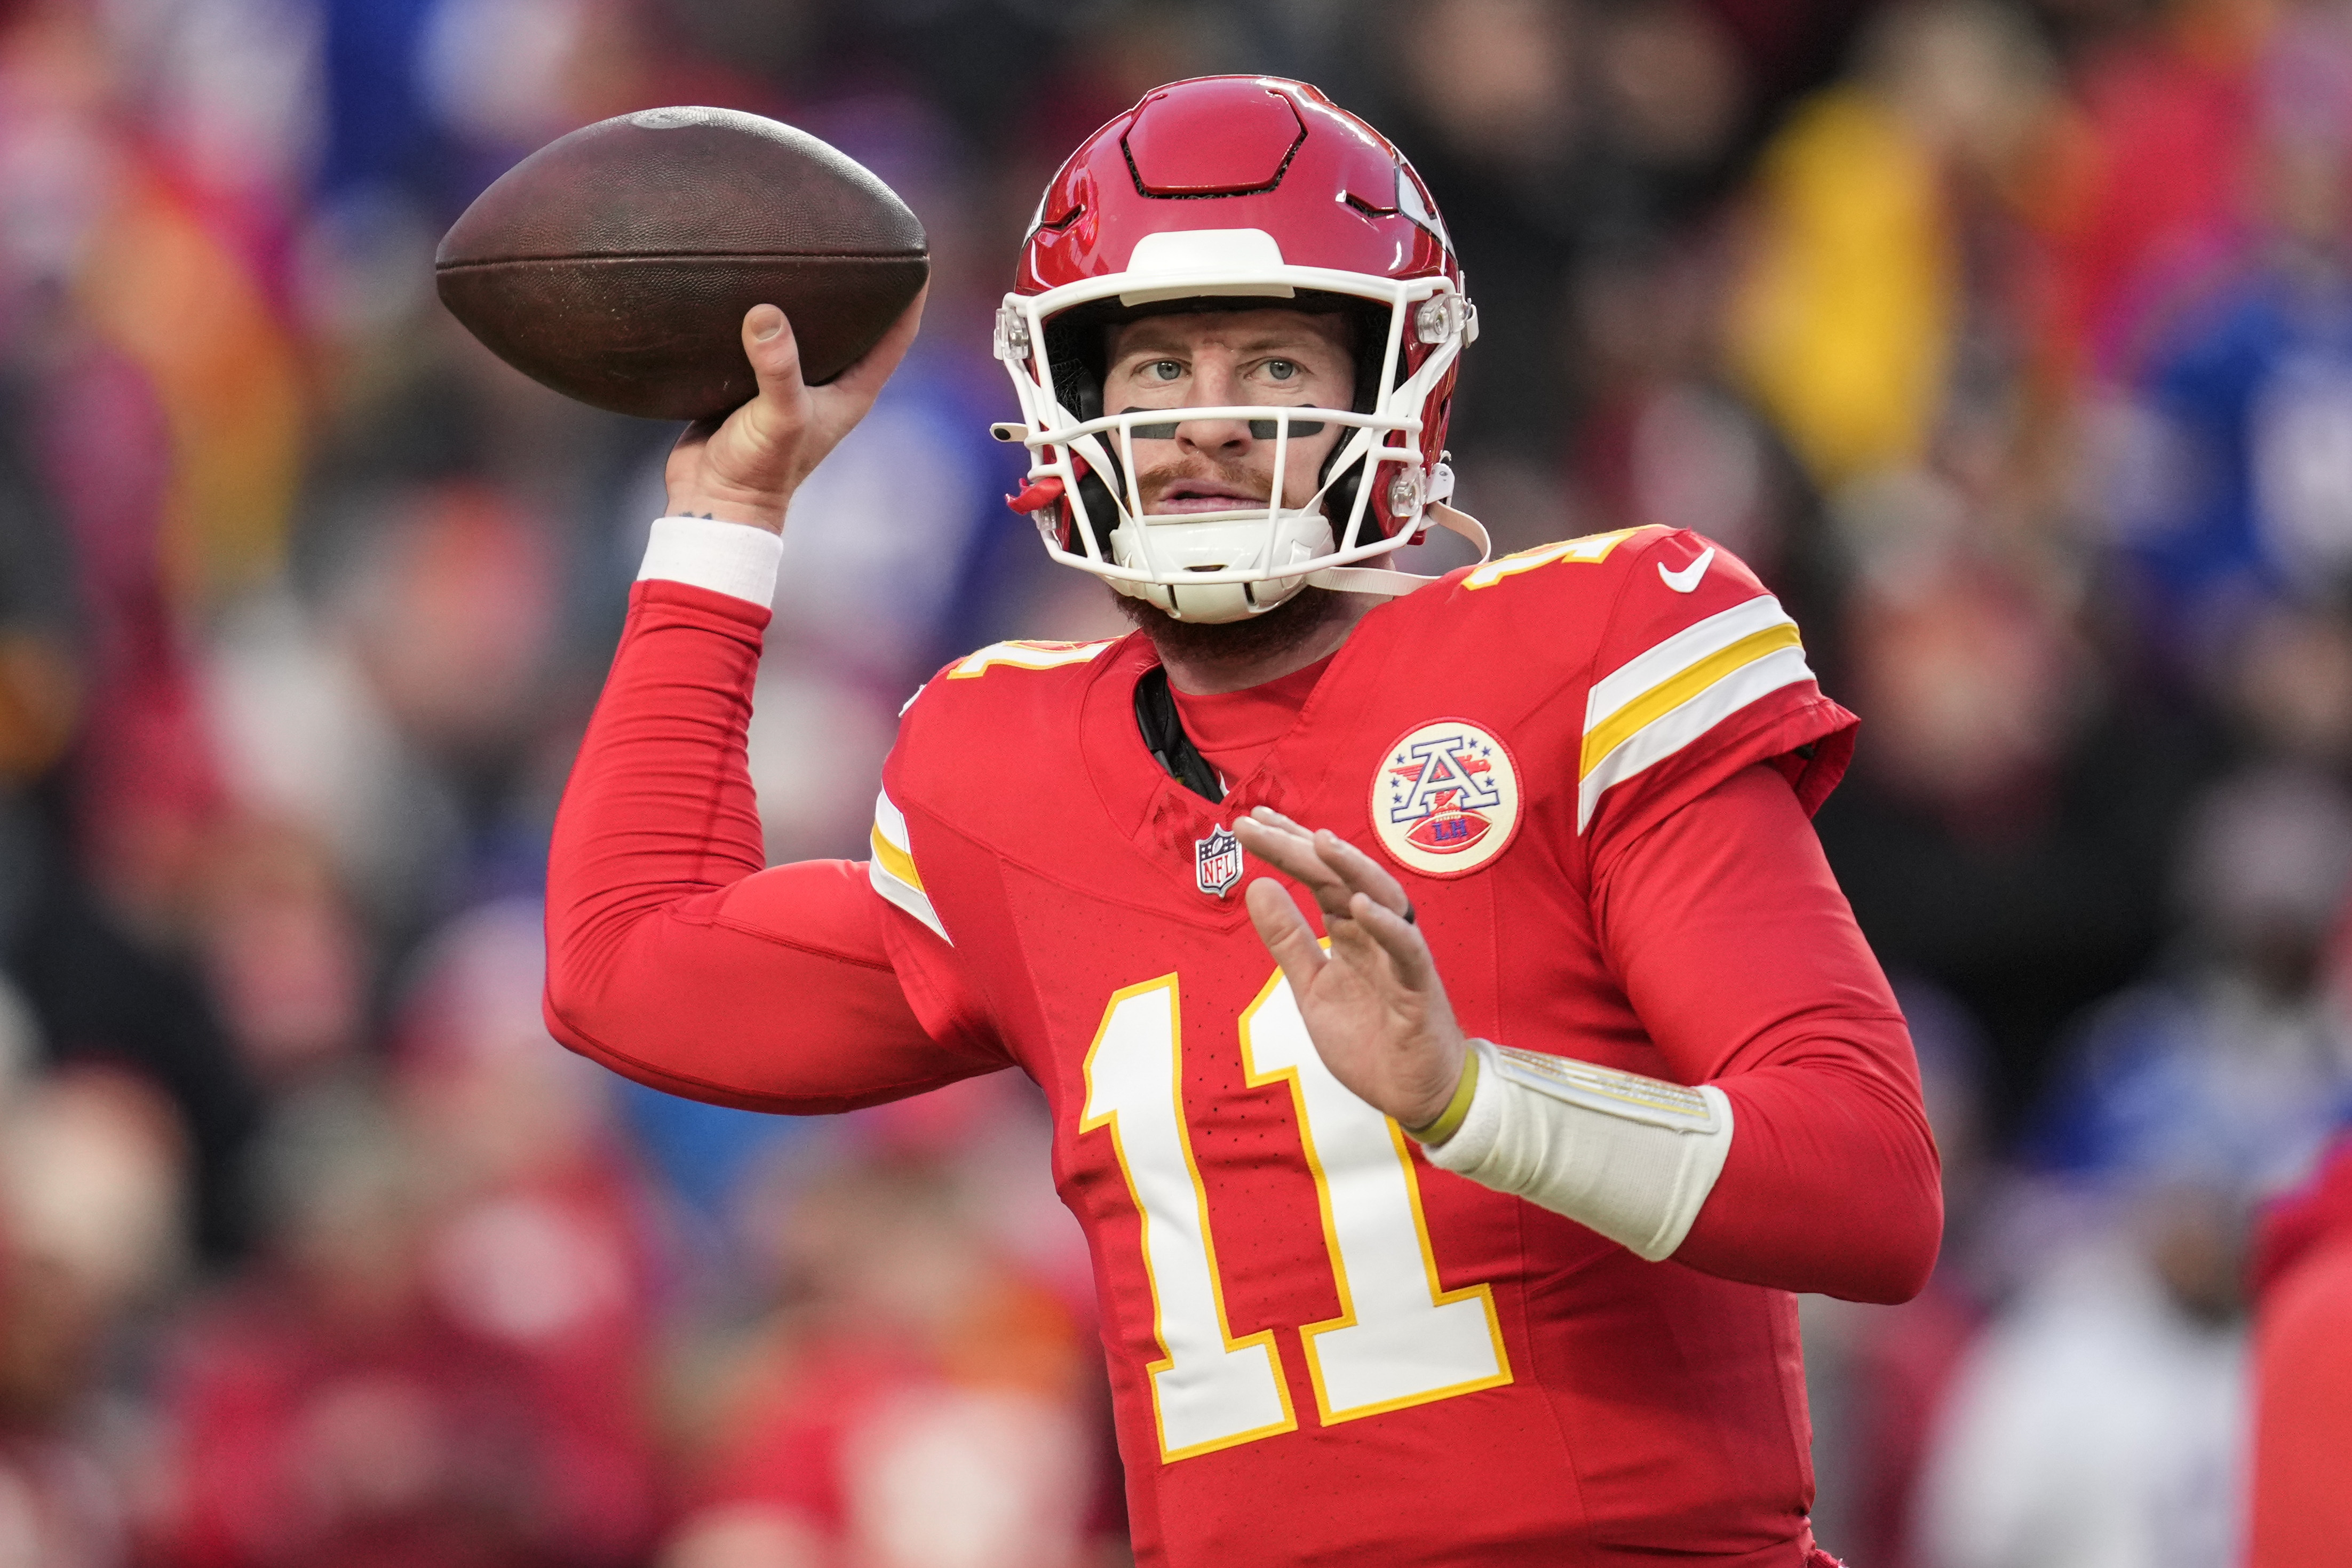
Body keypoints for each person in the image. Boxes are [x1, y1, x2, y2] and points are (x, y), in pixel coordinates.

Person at [544, 76, 1940, 1567]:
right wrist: (724, 517)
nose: (1206, 420)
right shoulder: (998, 770)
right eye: (1156, 369)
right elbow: (625, 971)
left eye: (1272, 361)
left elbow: (1871, 1186)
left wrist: (1473, 1102)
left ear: (1396, 390)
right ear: (1073, 406)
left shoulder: (1586, 656)